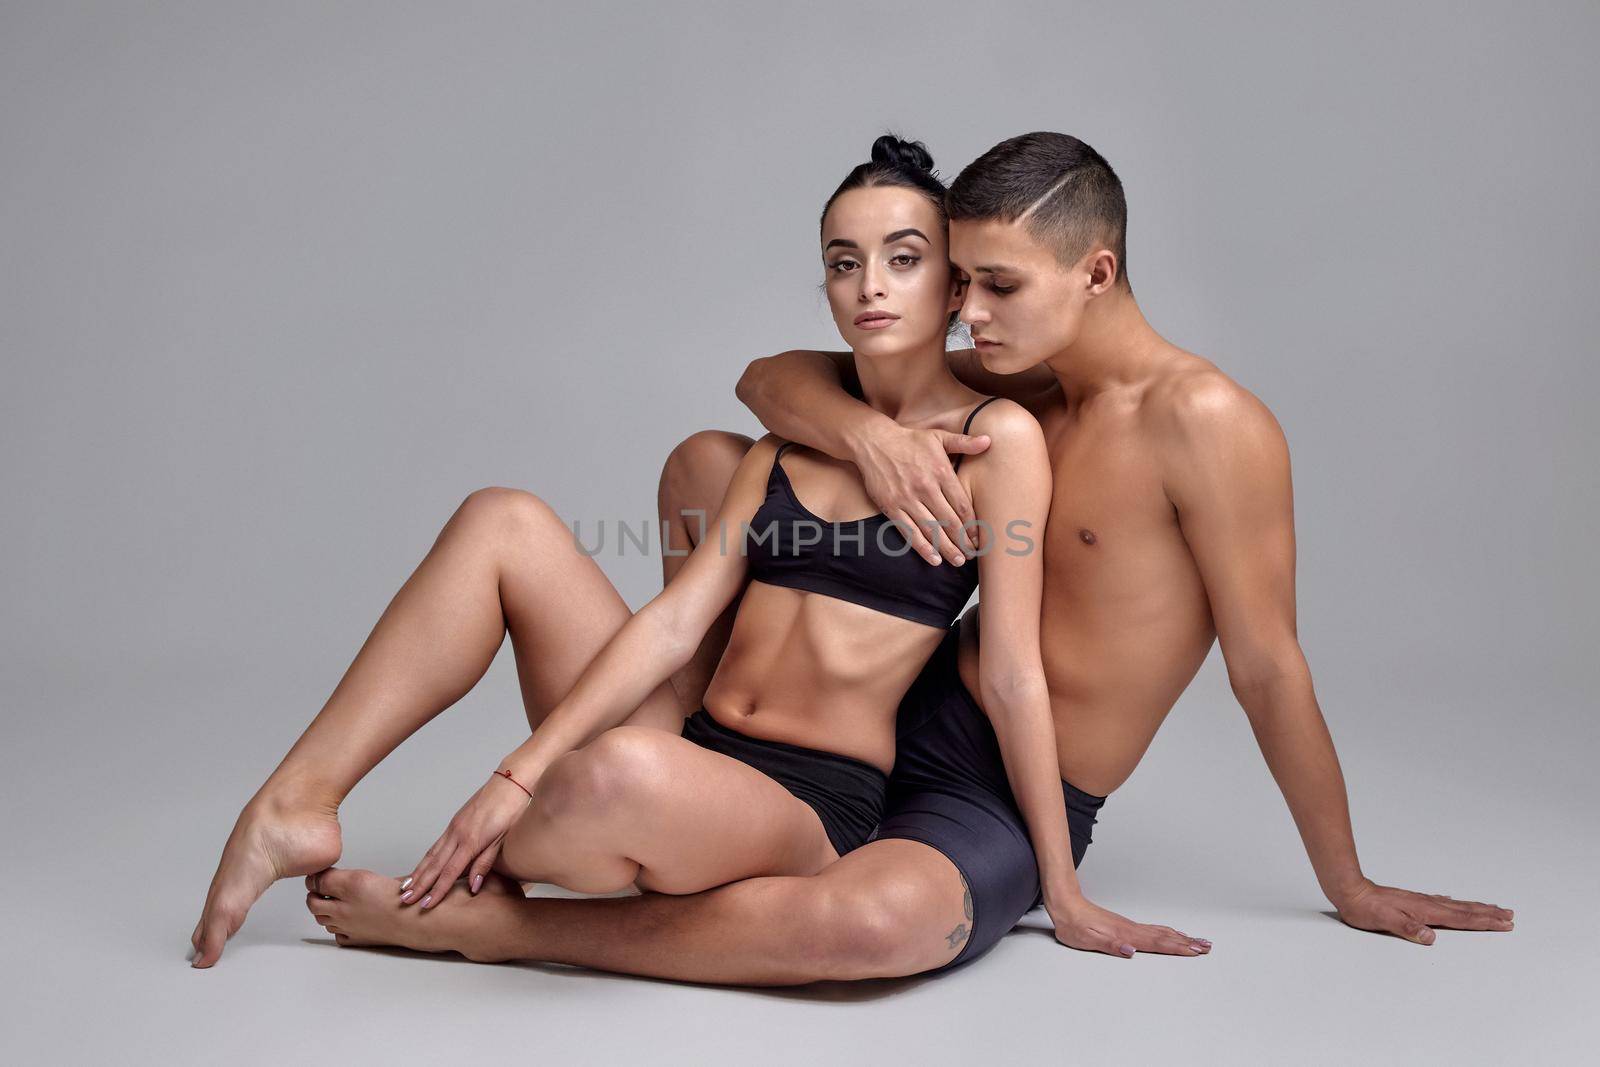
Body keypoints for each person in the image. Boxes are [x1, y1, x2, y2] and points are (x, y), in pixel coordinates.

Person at [295, 132, 1511, 982]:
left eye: (994, 284)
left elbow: (1267, 667)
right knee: (709, 461)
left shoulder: (1206, 424)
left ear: (1095, 271)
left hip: (995, 780)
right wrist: (874, 439)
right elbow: (770, 381)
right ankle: (684, 770)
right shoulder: (1007, 379)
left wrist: (1345, 881)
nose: (967, 315)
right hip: (887, 719)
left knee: (879, 930)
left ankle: (514, 933)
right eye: (959, 282)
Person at [198, 136, 1179, 968]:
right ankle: (297, 802)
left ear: (952, 280)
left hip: (809, 801)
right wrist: (519, 767)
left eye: (903, 257)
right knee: (502, 520)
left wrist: (1063, 886)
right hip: (693, 748)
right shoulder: (787, 440)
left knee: (616, 773)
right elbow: (673, 624)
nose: (869, 285)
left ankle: (489, 915)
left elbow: (1011, 673)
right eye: (843, 261)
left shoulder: (994, 439)